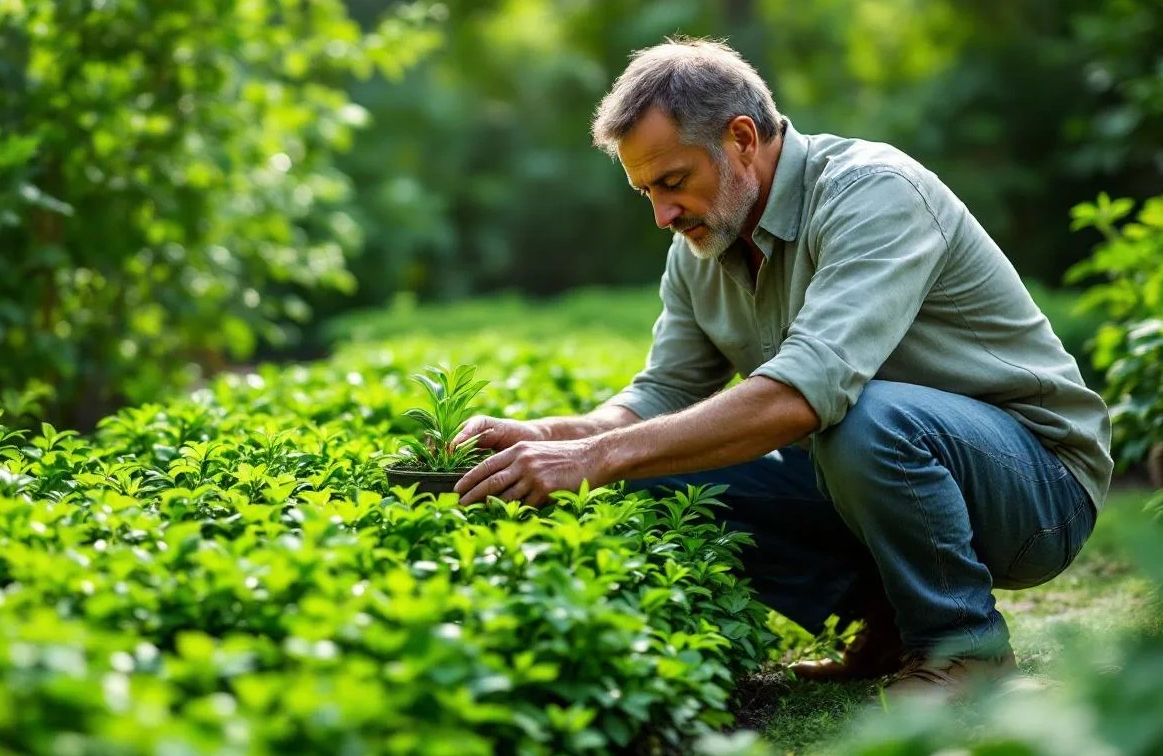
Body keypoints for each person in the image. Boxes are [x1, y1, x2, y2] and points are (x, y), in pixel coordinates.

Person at [450, 36, 1112, 700]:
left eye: (673, 182)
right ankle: (887, 619)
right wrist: (553, 438)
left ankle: (965, 646)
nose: (662, 214)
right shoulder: (700, 248)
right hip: (886, 471)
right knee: (643, 470)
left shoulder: (872, 192)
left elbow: (803, 395)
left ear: (741, 138)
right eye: (645, 191)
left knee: (864, 419)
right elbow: (662, 394)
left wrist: (598, 454)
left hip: (1037, 488)